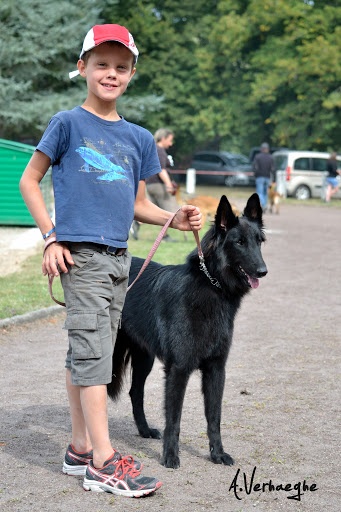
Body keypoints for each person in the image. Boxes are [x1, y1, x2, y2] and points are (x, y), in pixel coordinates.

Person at [19, 23, 201, 498]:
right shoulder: (66, 124)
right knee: (95, 357)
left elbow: (138, 205)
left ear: (132, 73)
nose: (111, 73)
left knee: (84, 352)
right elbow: (29, 181)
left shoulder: (140, 138)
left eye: (121, 67)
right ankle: (102, 461)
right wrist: (51, 238)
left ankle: (79, 448)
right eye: (101, 64)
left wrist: (173, 219)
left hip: (122, 263)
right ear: (83, 67)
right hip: (80, 260)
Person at [145, 128, 179, 242]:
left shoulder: (153, 149)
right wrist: (169, 184)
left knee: (148, 210)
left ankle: (136, 223)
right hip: (159, 185)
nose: (171, 143)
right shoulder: (159, 150)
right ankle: (163, 237)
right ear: (163, 138)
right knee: (169, 211)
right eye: (170, 140)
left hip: (150, 184)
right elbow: (161, 170)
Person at [252, 142, 275, 211]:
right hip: (267, 177)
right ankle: (264, 205)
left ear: (261, 149)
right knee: (265, 192)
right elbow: (273, 169)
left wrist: (255, 174)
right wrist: (273, 179)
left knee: (259, 192)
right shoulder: (271, 157)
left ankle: (262, 204)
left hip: (259, 177)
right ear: (268, 149)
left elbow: (254, 167)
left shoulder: (257, 157)